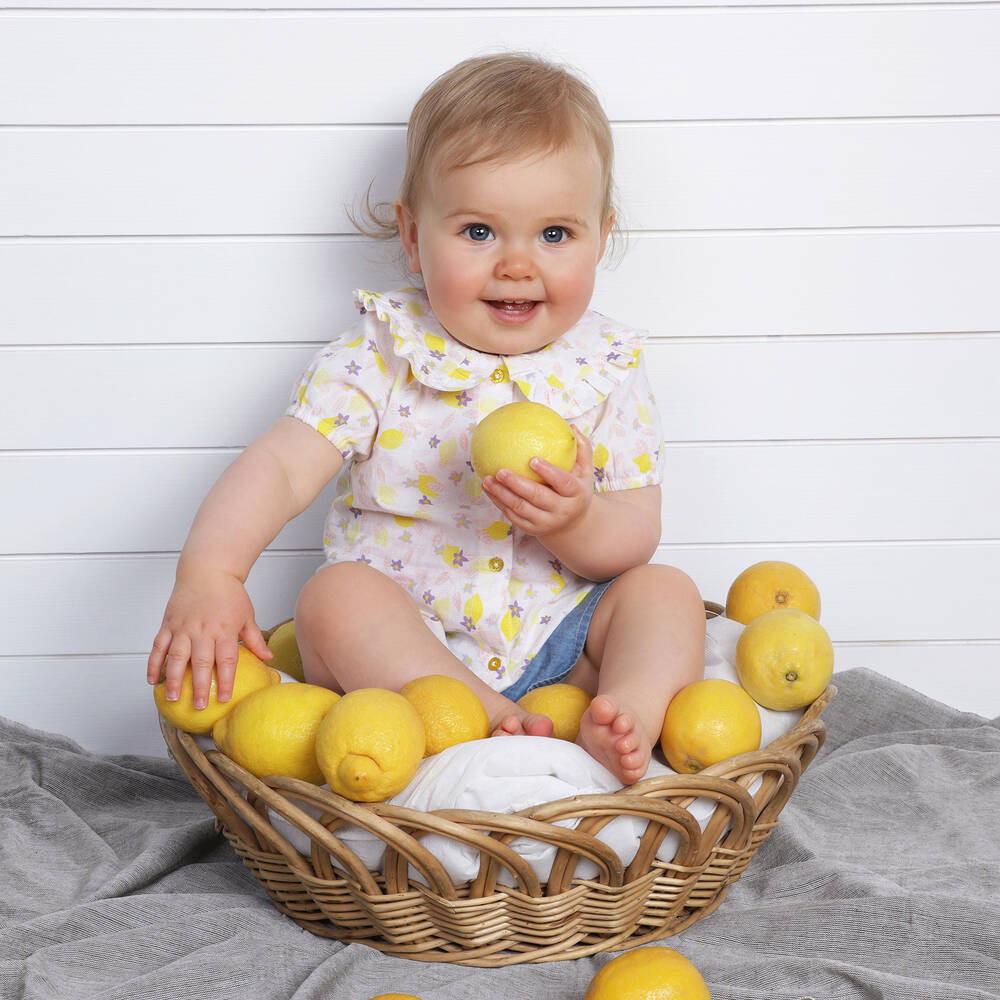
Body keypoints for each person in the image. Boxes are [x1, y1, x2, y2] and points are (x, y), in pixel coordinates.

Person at [147, 53, 705, 784]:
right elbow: (283, 467)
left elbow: (635, 527)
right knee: (333, 598)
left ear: (601, 234)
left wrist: (576, 523)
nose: (516, 263)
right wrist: (211, 575)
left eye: (555, 235)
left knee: (664, 593)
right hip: (403, 652)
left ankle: (626, 712)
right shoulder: (383, 355)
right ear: (413, 237)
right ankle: (479, 725)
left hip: (561, 646)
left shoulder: (605, 370)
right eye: (478, 232)